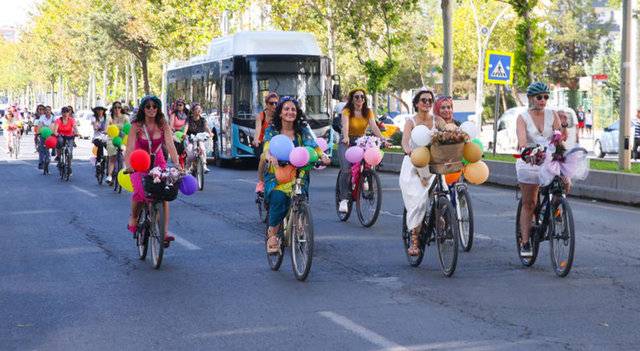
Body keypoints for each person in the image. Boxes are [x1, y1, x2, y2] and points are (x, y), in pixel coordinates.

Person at [263, 97, 331, 253]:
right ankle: (272, 234)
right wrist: (269, 156)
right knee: (279, 199)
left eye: (293, 109)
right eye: (286, 109)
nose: (290, 112)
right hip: (278, 174)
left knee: (301, 197)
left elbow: (313, 146)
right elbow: (267, 148)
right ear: (280, 113)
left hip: (299, 173)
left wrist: (323, 157)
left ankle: (300, 223)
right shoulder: (272, 129)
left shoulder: (303, 129)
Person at [515, 82, 568, 257]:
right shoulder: (522, 117)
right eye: (539, 97)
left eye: (546, 97)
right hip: (530, 161)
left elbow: (560, 139)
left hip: (550, 159)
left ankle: (554, 210)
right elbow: (522, 141)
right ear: (531, 98)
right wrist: (527, 151)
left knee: (564, 184)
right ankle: (525, 242)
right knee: (529, 203)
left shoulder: (553, 115)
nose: (543, 100)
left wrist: (563, 162)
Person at [124, 95, 182, 246]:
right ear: (143, 109)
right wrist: (128, 165)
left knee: (163, 194)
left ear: (158, 108)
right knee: (140, 192)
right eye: (148, 106)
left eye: (154, 106)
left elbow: (170, 145)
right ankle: (134, 217)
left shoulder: (163, 124)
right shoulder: (136, 126)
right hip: (138, 161)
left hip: (158, 160)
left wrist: (177, 164)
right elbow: (130, 147)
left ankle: (164, 232)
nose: (151, 109)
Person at [399, 90, 448, 256]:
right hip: (414, 163)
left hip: (433, 164)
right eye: (423, 100)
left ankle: (439, 215)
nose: (427, 103)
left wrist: (459, 136)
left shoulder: (438, 120)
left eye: (430, 100)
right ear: (416, 103)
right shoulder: (410, 121)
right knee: (418, 202)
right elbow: (405, 141)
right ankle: (414, 238)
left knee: (444, 192)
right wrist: (409, 151)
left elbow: (448, 131)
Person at [337, 88, 388, 213]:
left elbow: (374, 126)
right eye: (356, 97)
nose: (360, 99)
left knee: (369, 163)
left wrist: (383, 139)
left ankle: (365, 177)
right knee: (346, 169)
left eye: (362, 97)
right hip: (347, 141)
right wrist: (346, 137)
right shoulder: (347, 110)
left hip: (362, 140)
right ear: (352, 99)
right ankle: (343, 200)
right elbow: (345, 125)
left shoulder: (368, 112)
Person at [253, 92, 279, 194]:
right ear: (266, 104)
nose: (274, 106)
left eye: (276, 103)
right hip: (262, 142)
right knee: (263, 158)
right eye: (271, 103)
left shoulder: (280, 115)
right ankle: (260, 182)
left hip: (276, 142)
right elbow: (258, 129)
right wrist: (256, 140)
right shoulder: (260, 116)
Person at [185, 103, 214, 173]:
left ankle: (204, 166)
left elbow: (206, 127)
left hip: (200, 138)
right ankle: (187, 168)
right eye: (197, 109)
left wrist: (210, 133)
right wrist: (184, 133)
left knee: (202, 148)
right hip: (191, 139)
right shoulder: (189, 119)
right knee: (190, 154)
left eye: (200, 109)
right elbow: (186, 126)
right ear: (193, 111)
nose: (199, 110)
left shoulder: (203, 119)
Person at [105, 101, 130, 184]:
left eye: (119, 107)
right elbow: (106, 128)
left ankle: (126, 172)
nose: (117, 109)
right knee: (112, 157)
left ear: (121, 108)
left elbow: (129, 128)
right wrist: (107, 130)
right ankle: (109, 175)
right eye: (115, 107)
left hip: (123, 138)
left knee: (125, 153)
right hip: (112, 139)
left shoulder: (125, 117)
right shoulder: (110, 118)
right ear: (113, 109)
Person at [52, 106, 78, 175]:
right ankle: (59, 157)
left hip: (69, 136)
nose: (65, 114)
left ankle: (69, 167)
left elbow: (75, 127)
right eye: (63, 112)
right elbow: (55, 130)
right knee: (60, 142)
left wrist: (77, 133)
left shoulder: (71, 120)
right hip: (61, 135)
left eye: (66, 112)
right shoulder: (58, 120)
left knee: (70, 153)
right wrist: (56, 133)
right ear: (62, 113)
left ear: (69, 113)